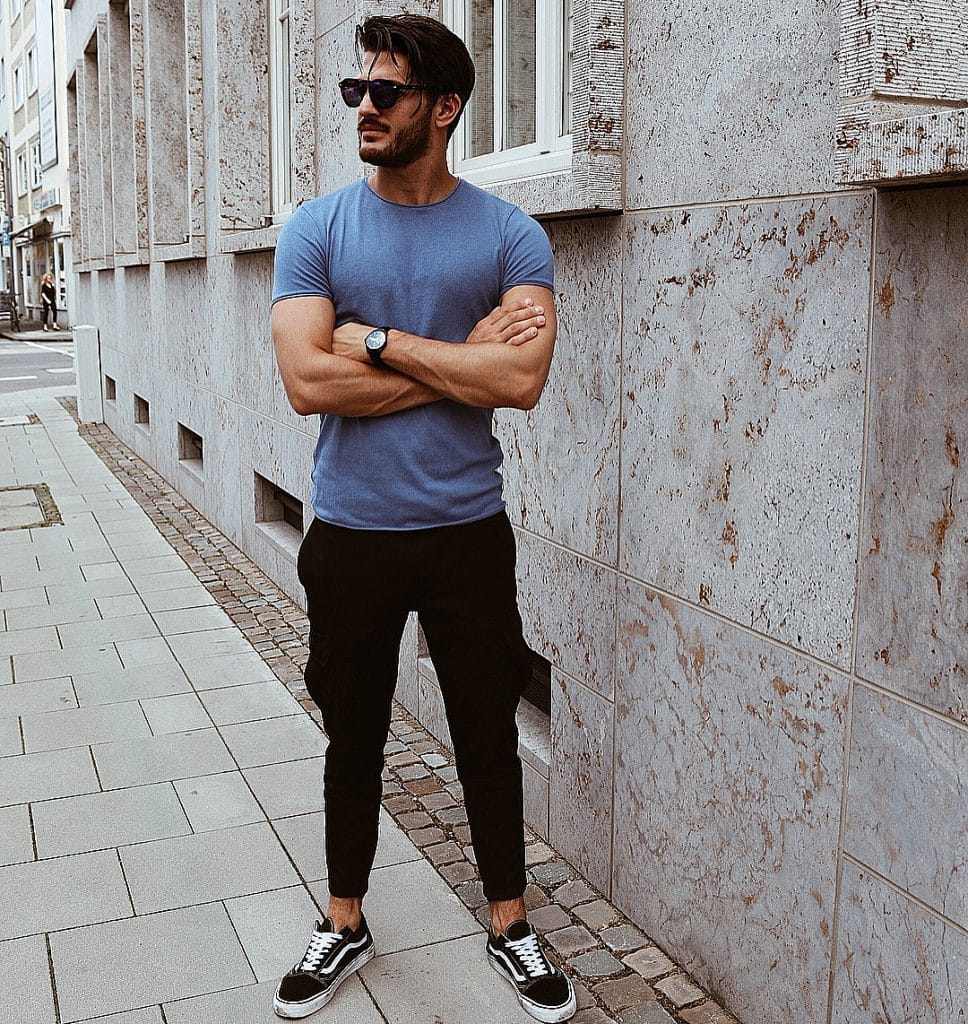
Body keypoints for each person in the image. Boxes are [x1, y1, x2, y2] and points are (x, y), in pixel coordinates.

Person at [269, 13, 575, 1024]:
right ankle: (344, 918)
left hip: (464, 531)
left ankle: (508, 921)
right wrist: (456, 358)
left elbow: (521, 378)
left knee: (484, 730)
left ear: (442, 109)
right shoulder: (316, 228)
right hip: (352, 531)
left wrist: (384, 342)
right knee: (350, 733)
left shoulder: (505, 232)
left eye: (384, 93)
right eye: (354, 91)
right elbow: (307, 382)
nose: (363, 107)